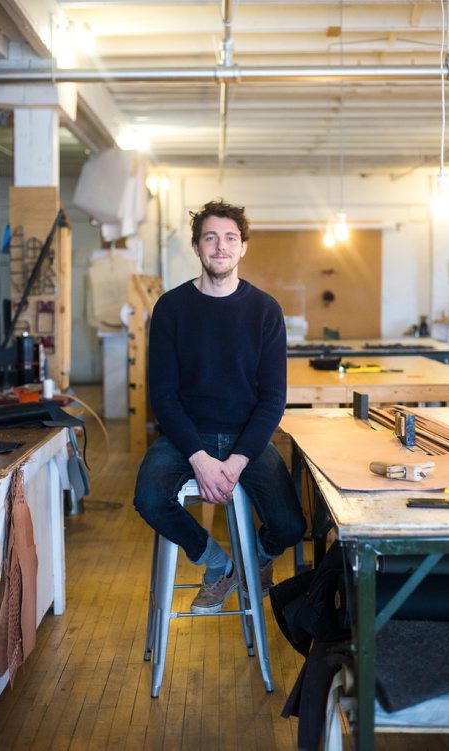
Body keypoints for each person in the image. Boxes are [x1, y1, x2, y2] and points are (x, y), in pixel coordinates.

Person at [133, 199, 306, 614]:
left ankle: (253, 563)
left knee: (291, 525)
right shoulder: (171, 308)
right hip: (185, 436)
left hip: (245, 436)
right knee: (150, 498)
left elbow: (272, 399)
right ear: (196, 247)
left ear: (243, 247)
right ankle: (219, 563)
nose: (220, 246)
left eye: (230, 238)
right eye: (210, 237)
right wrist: (201, 459)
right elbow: (164, 396)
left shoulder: (265, 310)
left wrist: (237, 461)